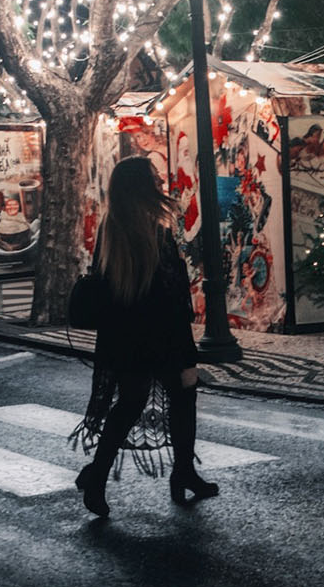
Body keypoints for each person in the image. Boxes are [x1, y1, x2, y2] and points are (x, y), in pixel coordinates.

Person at [72, 156, 219, 517]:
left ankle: (98, 476)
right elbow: (171, 298)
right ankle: (182, 472)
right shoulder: (155, 232)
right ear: (143, 186)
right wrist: (187, 354)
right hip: (162, 336)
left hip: (123, 338)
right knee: (183, 398)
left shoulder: (112, 228)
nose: (160, 182)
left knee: (128, 405)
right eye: (154, 178)